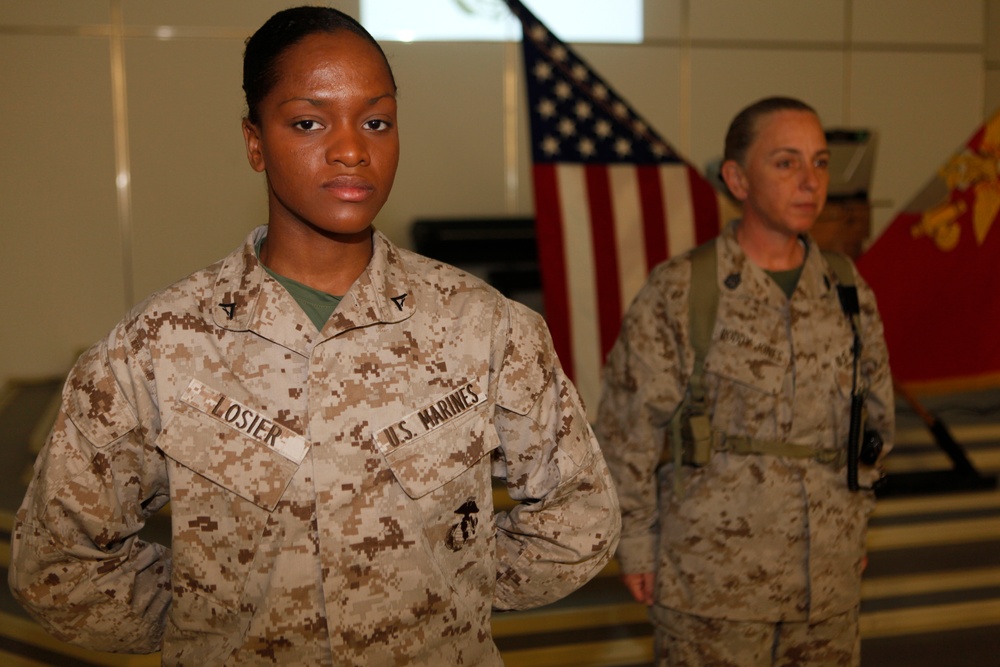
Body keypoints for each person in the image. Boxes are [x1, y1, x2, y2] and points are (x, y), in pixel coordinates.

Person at [9, 7, 620, 665]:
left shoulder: (487, 330)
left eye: (376, 121)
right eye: (308, 121)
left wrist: (441, 589)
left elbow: (576, 521)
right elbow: (57, 561)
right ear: (254, 141)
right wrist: (212, 613)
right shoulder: (158, 347)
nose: (352, 148)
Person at [596, 96, 893, 666]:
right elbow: (626, 430)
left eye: (821, 163)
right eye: (786, 163)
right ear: (737, 178)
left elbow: (875, 424)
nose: (809, 181)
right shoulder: (685, 290)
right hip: (713, 582)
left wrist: (853, 525)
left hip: (826, 582)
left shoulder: (846, 288)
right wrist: (635, 545)